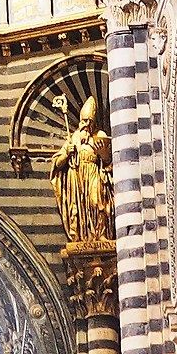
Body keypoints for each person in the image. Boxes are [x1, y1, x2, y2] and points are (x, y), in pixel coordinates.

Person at [48, 92, 114, 245]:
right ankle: (83, 235)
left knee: (97, 202)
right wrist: (68, 153)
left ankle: (101, 233)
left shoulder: (99, 135)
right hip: (76, 176)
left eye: (89, 121)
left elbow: (108, 161)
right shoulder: (74, 137)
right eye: (83, 121)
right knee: (77, 206)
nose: (86, 124)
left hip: (93, 173)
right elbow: (57, 163)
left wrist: (104, 156)